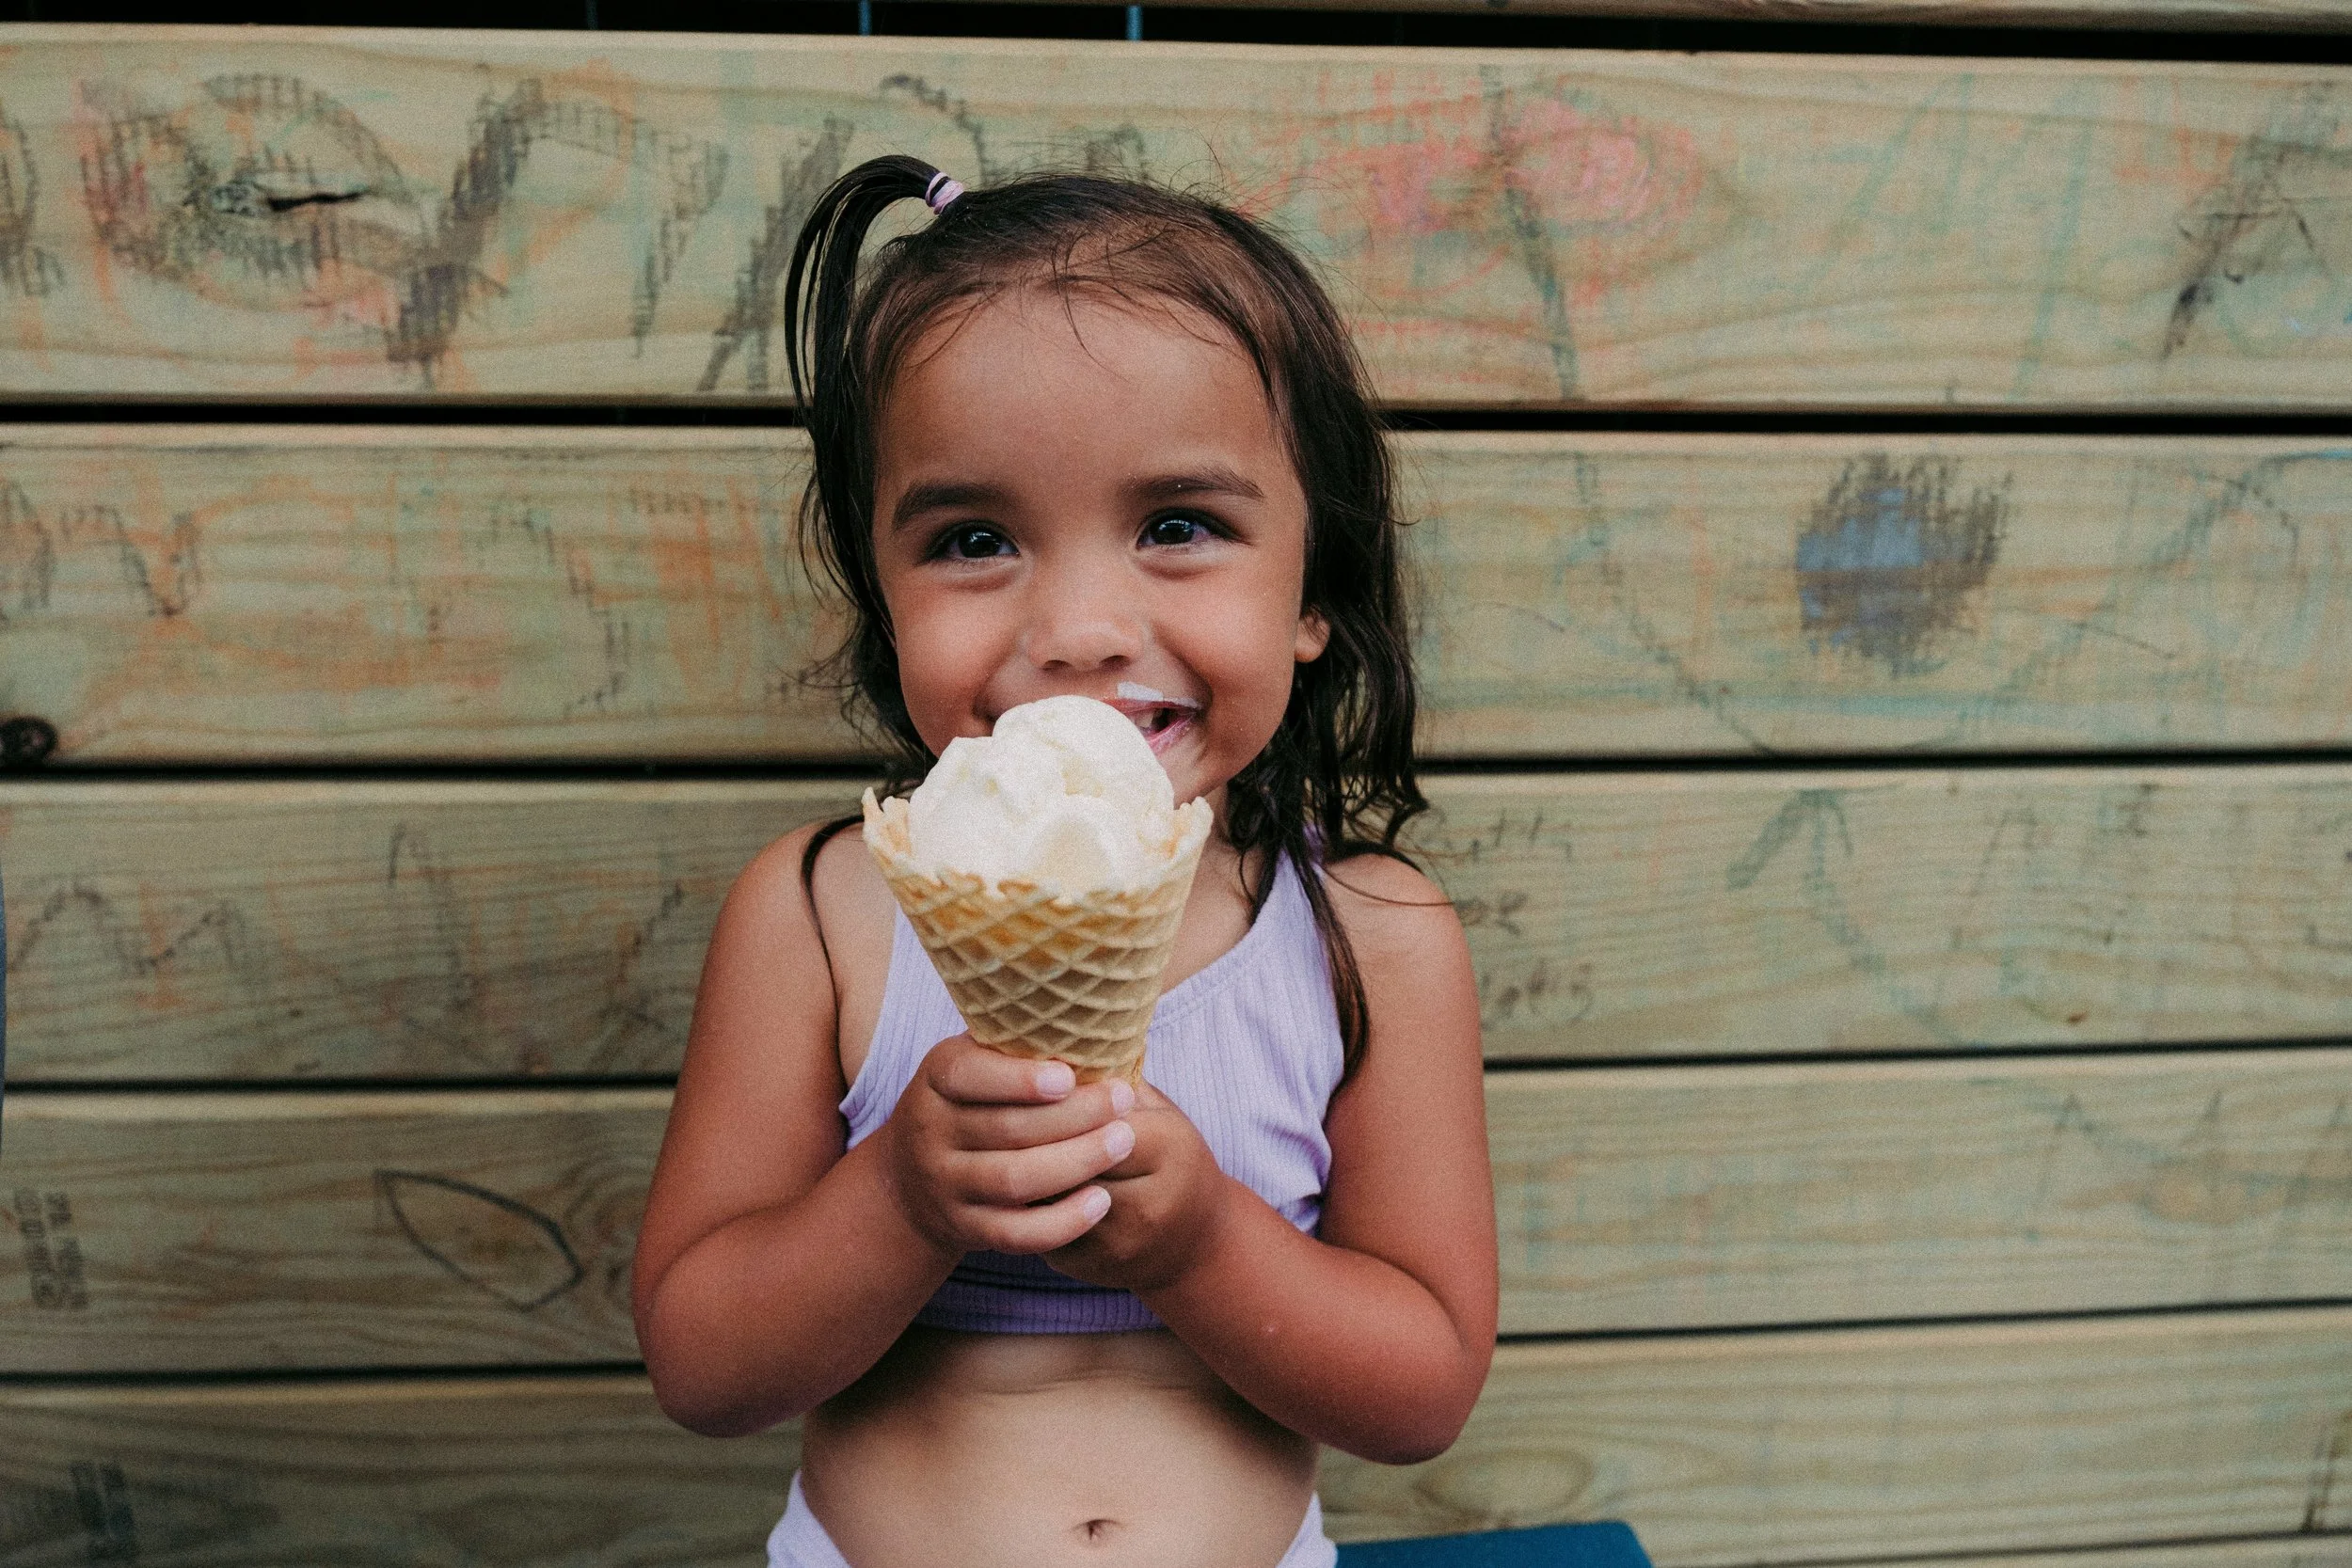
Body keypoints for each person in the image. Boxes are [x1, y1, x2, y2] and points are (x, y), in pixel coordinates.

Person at [631, 155, 1495, 1568]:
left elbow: (1425, 1386)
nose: (1084, 626)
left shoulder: (1375, 937)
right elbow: (703, 1366)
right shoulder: (823, 913)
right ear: (880, 588)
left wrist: (1202, 1240)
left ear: (1314, 595)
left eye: (1178, 527)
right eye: (973, 539)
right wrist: (900, 1199)